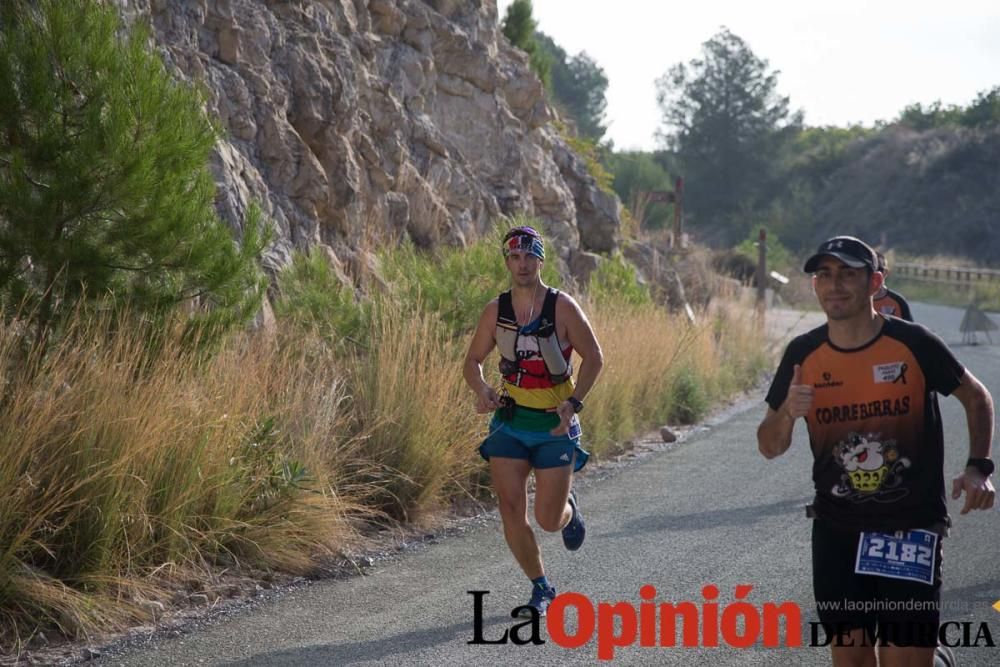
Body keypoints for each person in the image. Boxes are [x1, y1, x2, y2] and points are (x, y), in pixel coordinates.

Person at [757, 235, 995, 666]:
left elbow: (976, 397)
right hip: (836, 531)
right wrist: (787, 413)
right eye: (824, 275)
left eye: (849, 273)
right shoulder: (802, 354)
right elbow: (770, 446)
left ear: (875, 282)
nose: (835, 285)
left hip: (910, 526)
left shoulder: (914, 344)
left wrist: (978, 467)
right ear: (814, 286)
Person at [463, 225, 604, 617]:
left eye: (529, 256)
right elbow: (472, 361)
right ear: (507, 261)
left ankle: (569, 509)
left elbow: (595, 358)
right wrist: (482, 390)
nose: (521, 264)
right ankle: (542, 587)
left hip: (554, 426)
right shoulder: (496, 310)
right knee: (510, 509)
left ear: (540, 259)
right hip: (510, 422)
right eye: (514, 257)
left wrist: (574, 402)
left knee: (548, 519)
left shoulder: (562, 307)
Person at [873, 251, 914, 321]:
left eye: (879, 269)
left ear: (885, 273)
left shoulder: (898, 301)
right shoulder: (855, 300)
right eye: (872, 269)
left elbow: (910, 330)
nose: (875, 273)